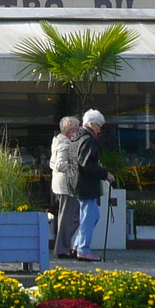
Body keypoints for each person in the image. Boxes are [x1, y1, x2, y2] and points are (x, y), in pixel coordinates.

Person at [73, 109, 115, 262]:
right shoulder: (88, 139)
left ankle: (78, 245)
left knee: (92, 215)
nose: (99, 129)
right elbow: (87, 165)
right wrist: (105, 173)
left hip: (79, 183)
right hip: (86, 185)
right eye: (98, 126)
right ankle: (83, 249)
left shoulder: (78, 137)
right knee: (89, 217)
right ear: (91, 124)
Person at [49, 116, 82, 257]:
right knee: (69, 218)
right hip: (67, 186)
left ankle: (63, 246)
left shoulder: (58, 142)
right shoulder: (66, 145)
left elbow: (52, 163)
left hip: (61, 185)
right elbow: (59, 164)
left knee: (69, 217)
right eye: (77, 128)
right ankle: (62, 249)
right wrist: (77, 167)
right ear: (71, 131)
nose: (79, 131)